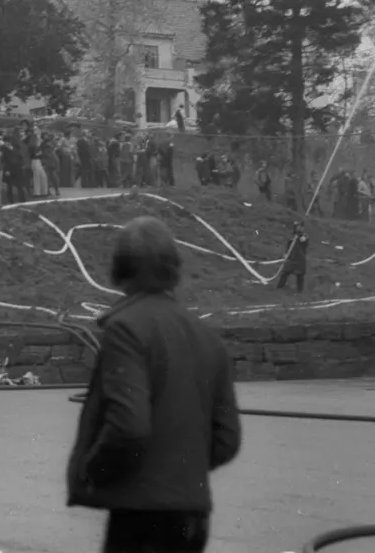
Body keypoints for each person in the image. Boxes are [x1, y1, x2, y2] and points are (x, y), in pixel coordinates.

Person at [66, 216, 241, 553]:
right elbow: (227, 438)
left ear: (120, 267)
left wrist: (94, 468)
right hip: (193, 513)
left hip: (140, 517)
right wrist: (181, 466)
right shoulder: (207, 337)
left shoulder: (126, 329)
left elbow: (129, 426)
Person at [276, 221, 308, 292]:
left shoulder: (304, 237)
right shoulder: (291, 238)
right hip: (291, 259)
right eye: (297, 226)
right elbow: (288, 248)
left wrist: (300, 237)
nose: (298, 228)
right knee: (284, 273)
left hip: (300, 260)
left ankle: (300, 292)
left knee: (300, 277)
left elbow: (304, 241)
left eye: (299, 226)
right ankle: (279, 288)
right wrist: (286, 254)